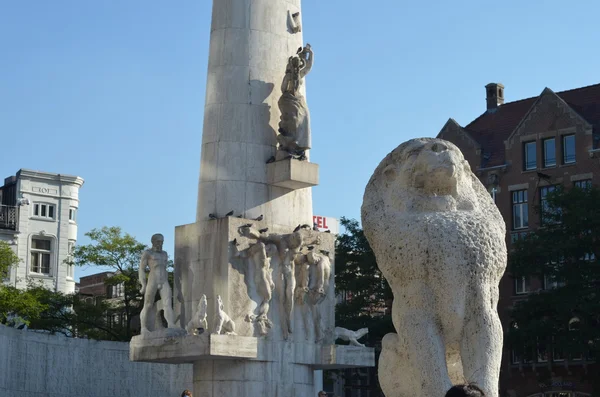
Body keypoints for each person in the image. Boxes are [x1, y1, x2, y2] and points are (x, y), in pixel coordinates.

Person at [139, 233, 177, 333]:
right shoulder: (147, 253)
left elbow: (165, 269)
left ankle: (171, 324)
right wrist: (143, 284)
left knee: (168, 303)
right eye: (158, 242)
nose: (160, 244)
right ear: (153, 242)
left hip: (164, 280)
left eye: (162, 242)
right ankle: (143, 328)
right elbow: (141, 269)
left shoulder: (164, 254)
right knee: (147, 304)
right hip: (153, 279)